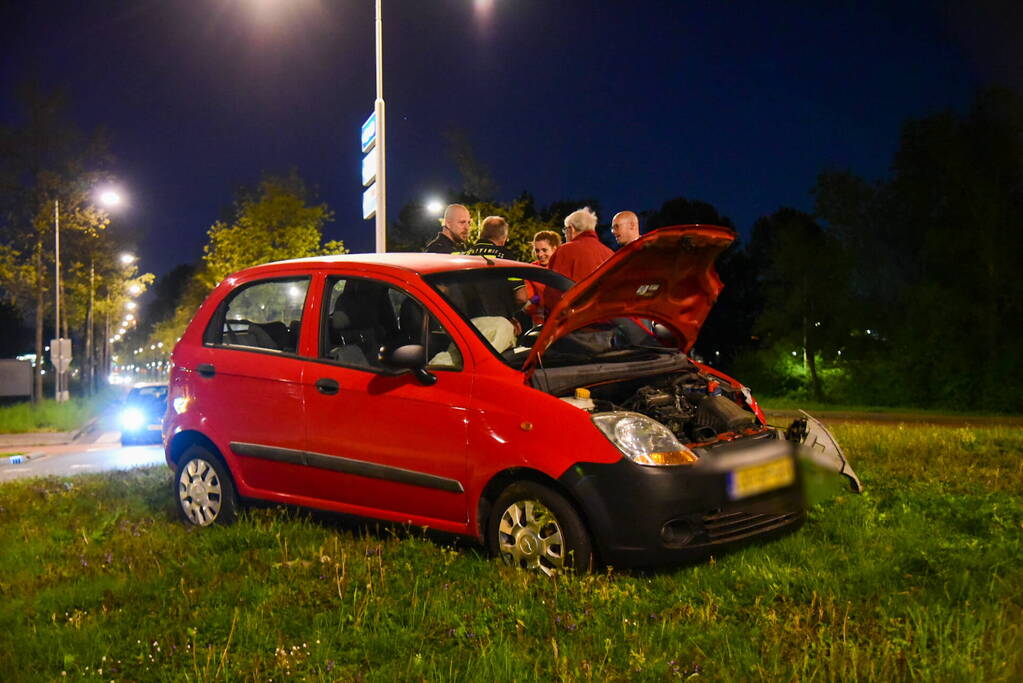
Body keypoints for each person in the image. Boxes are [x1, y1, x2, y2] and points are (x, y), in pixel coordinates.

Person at [544, 207, 613, 313]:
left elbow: (554, 292)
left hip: (576, 321)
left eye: (565, 230)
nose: (565, 234)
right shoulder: (609, 253)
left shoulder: (565, 251)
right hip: (607, 320)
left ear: (571, 229)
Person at [522, 230, 562, 325]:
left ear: (555, 249)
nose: (540, 255)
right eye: (537, 250)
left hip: (564, 320)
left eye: (544, 250)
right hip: (540, 323)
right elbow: (528, 301)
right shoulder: (530, 270)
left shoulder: (564, 266)